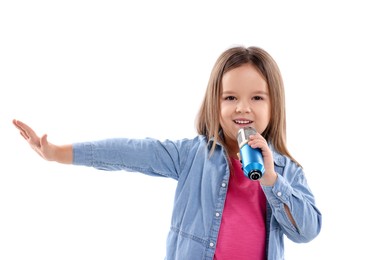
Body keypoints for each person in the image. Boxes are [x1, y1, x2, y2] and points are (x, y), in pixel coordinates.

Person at [13, 45, 322, 260]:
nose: (242, 107)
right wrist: (57, 153)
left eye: (257, 97)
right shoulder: (191, 156)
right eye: (230, 97)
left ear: (274, 105)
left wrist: (271, 180)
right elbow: (129, 153)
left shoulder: (288, 172)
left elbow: (307, 232)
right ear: (215, 103)